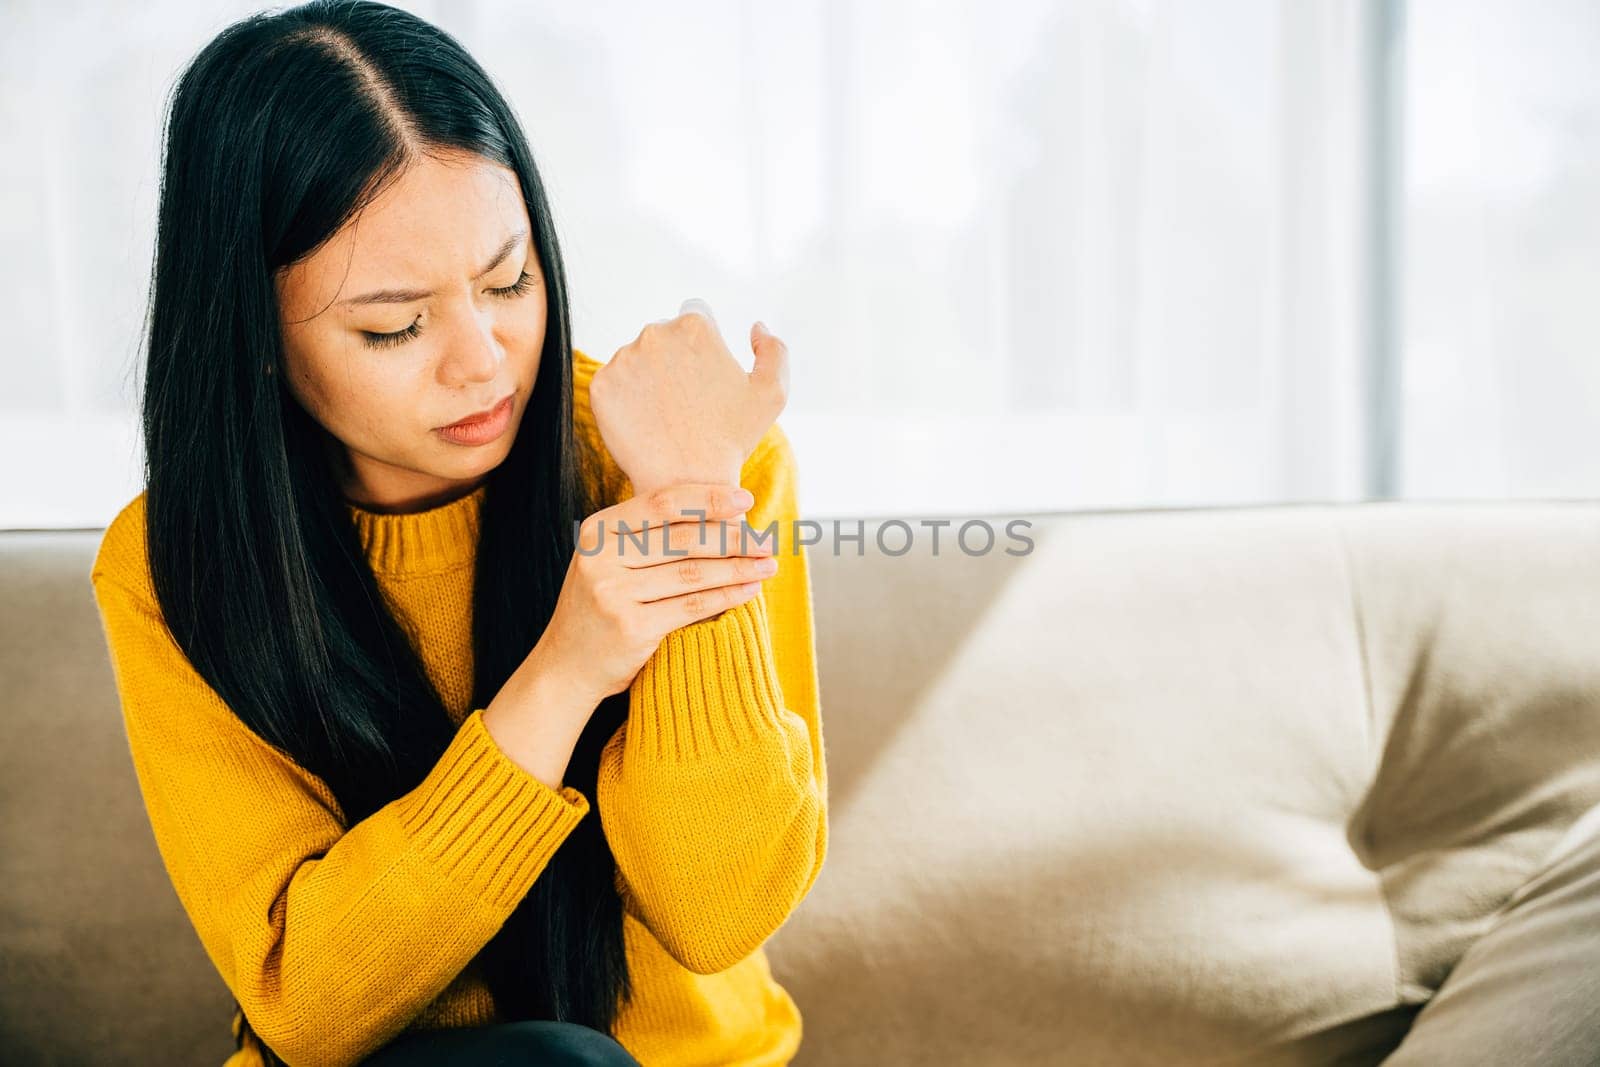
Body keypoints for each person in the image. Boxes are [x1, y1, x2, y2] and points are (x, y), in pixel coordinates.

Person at [88, 2, 828, 1064]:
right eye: (394, 323)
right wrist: (564, 674)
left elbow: (718, 908)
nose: (484, 359)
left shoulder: (692, 458)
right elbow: (309, 1001)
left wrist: (688, 495)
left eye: (507, 279)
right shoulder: (174, 564)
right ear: (252, 333)